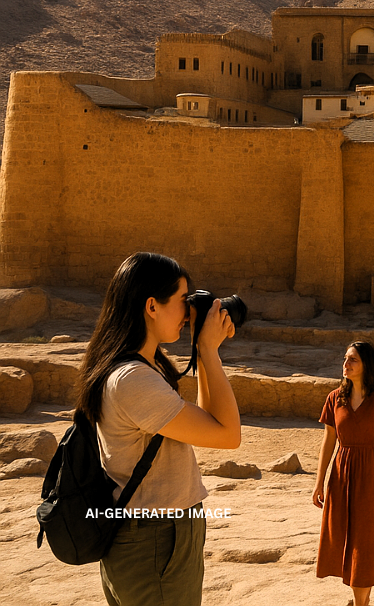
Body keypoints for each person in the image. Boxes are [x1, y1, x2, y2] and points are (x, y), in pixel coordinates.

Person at [76, 252, 241, 606]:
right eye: (182, 300)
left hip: (152, 538)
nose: (187, 312)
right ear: (152, 306)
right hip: (157, 541)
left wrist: (203, 348)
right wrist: (208, 350)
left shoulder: (133, 366)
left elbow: (206, 421)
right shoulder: (133, 379)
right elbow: (229, 435)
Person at [313, 340, 374, 605]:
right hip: (342, 474)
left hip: (373, 474)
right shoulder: (334, 398)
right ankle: (362, 600)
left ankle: (361, 602)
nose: (346, 364)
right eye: (345, 358)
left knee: (367, 539)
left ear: (366, 365)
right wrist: (319, 482)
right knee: (345, 537)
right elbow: (329, 442)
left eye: (353, 360)